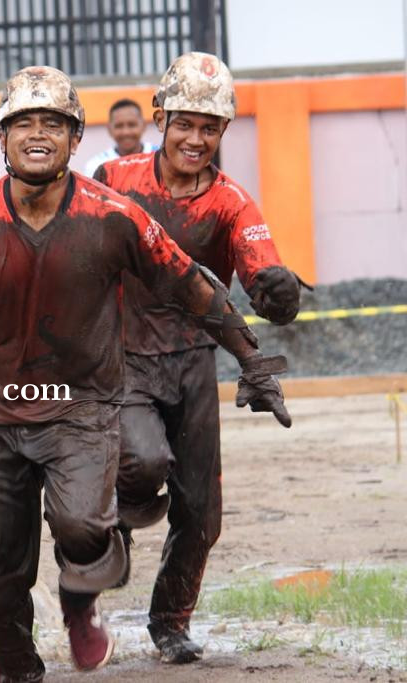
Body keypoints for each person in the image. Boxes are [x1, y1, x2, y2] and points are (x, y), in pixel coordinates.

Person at [0, 65, 291, 680]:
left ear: (75, 137)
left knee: (88, 526)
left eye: (53, 124)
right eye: (22, 124)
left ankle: (88, 599)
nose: (37, 135)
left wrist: (254, 359)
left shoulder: (115, 214)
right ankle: (16, 661)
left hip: (83, 406)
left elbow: (195, 287)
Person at [92, 52, 304, 665]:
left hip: (192, 364)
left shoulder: (231, 202)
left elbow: (262, 270)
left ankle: (170, 622)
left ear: (224, 133)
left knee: (202, 511)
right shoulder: (114, 177)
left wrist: (277, 293)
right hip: (124, 357)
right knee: (144, 458)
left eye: (209, 128)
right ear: (160, 118)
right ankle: (117, 521)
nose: (195, 138)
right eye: (184, 123)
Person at [82, 98, 157, 177]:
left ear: (143, 126)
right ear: (109, 129)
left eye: (132, 125)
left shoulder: (159, 158)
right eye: (119, 126)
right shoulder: (97, 166)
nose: (126, 132)